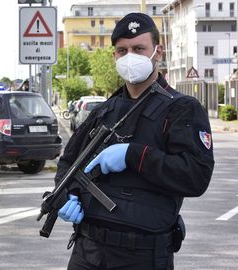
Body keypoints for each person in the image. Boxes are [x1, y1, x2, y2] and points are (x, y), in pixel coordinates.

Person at [55, 13, 214, 270]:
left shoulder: (182, 109)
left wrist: (133, 155)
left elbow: (196, 176)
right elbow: (68, 163)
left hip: (142, 255)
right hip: (88, 251)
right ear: (114, 56)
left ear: (158, 52)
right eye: (122, 50)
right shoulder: (103, 111)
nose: (130, 56)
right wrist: (66, 195)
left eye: (139, 49)